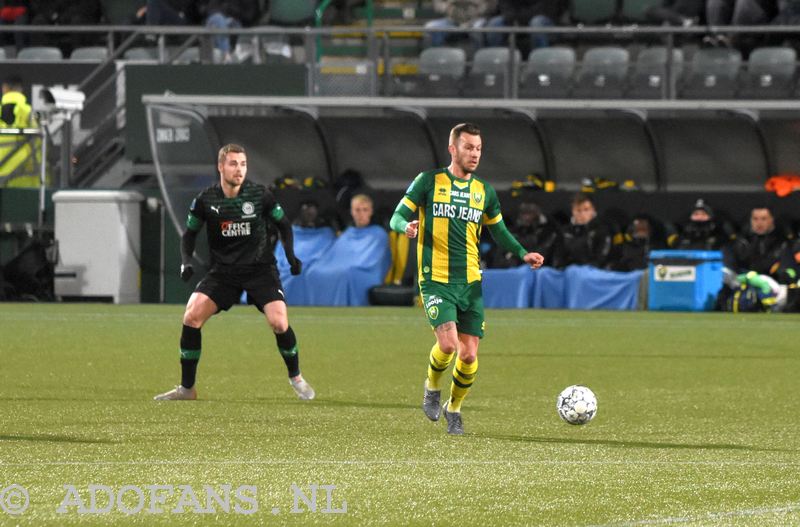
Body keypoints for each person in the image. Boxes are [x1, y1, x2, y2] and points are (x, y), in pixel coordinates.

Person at [389, 123, 544, 435]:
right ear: (453, 149)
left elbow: (498, 230)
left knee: (469, 353)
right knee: (447, 345)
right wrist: (405, 228)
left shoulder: (484, 192)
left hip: (471, 282)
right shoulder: (428, 182)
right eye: (469, 147)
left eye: (478, 149)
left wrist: (522, 252)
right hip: (436, 280)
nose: (474, 154)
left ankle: (454, 408)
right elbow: (396, 216)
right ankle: (432, 388)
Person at [154, 143, 315, 401]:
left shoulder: (259, 195)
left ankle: (296, 377)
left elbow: (283, 225)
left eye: (242, 164)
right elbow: (189, 234)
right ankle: (187, 389)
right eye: (233, 164)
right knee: (191, 317)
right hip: (224, 272)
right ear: (220, 167)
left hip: (260, 269)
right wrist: (185, 261)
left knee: (279, 322)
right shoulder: (205, 200)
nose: (239, 170)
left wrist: (290, 255)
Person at [488, 199, 559, 268]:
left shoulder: (547, 233)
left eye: (530, 213)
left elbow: (545, 258)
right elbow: (497, 260)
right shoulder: (510, 233)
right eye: (524, 213)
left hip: (536, 271)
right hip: (511, 271)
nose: (526, 217)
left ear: (538, 214)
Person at [0, 75, 41, 188]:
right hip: (25, 171)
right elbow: (39, 142)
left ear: (4, 89)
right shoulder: (29, 112)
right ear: (21, 90)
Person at [554, 193, 612, 269]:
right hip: (568, 272)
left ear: (593, 210)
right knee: (544, 272)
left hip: (592, 272)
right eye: (578, 210)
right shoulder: (564, 231)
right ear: (572, 211)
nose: (582, 214)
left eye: (586, 210)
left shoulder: (602, 230)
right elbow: (558, 256)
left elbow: (601, 258)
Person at [729, 206, 790, 276]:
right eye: (755, 219)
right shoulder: (742, 241)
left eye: (763, 219)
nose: (759, 223)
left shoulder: (782, 241)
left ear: (772, 219)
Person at [485, 0, 564, 51]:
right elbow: (505, 6)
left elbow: (545, 9)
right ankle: (498, 62)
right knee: (495, 23)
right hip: (517, 19)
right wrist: (512, 17)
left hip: (547, 22)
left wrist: (519, 19)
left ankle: (540, 63)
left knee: (536, 23)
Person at [424, 0, 498, 48]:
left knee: (482, 29)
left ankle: (480, 60)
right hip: (451, 20)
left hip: (476, 20)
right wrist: (447, 7)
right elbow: (437, 5)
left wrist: (479, 9)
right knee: (431, 27)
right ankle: (438, 60)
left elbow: (492, 5)